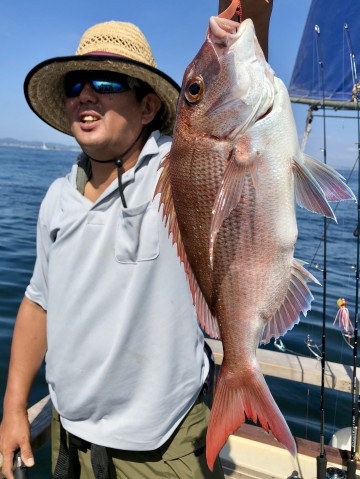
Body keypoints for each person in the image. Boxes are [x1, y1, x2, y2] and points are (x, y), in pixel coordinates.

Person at [0, 20, 225, 479]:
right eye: (74, 84)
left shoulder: (180, 168)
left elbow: (227, 101)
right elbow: (39, 303)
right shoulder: (57, 199)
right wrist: (13, 406)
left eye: (105, 82)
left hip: (163, 447)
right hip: (71, 439)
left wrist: (241, 23)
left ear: (147, 108)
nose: (85, 94)